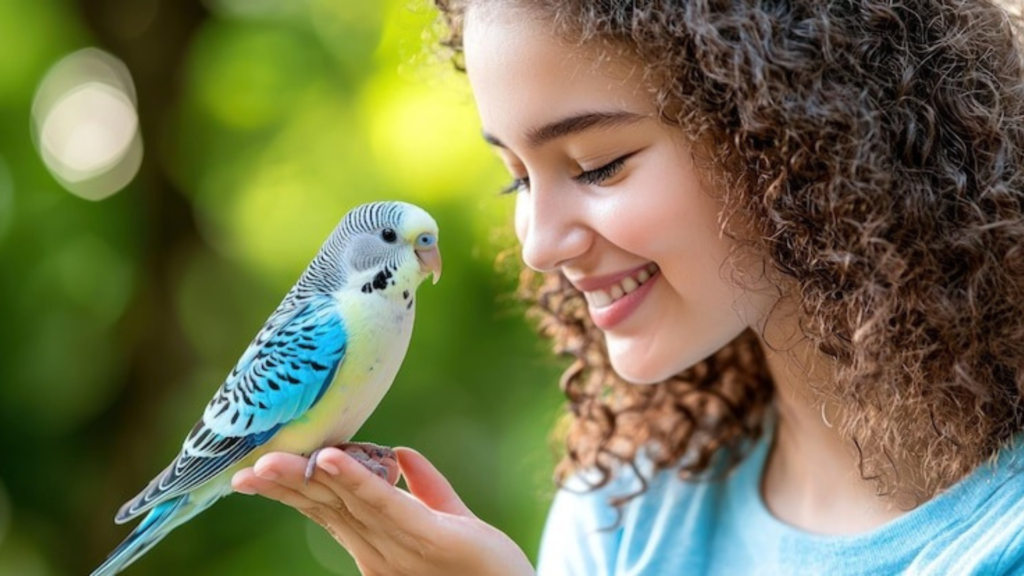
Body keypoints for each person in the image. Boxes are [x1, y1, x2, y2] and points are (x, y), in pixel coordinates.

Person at [231, 0, 1024, 573]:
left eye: (597, 165)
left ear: (792, 126)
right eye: (516, 180)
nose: (538, 245)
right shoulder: (621, 516)